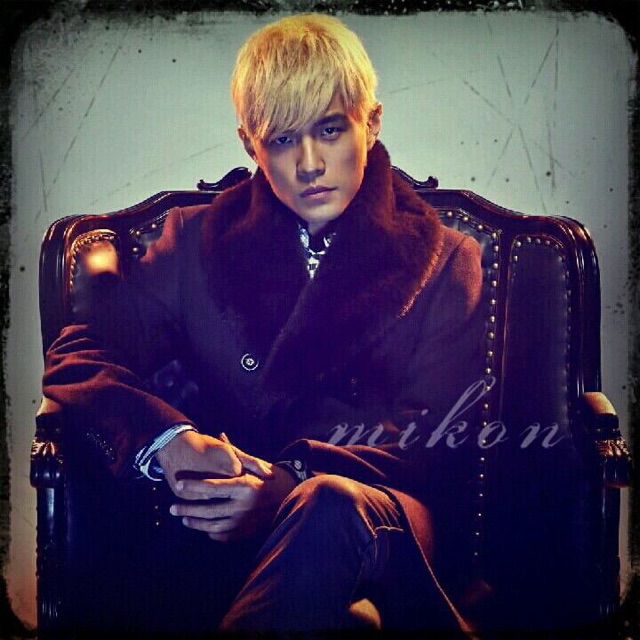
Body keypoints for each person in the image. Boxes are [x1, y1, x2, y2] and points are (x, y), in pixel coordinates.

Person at [42, 13, 485, 636]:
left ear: (372, 123)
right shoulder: (195, 243)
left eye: (330, 129)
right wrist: (168, 441)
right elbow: (80, 354)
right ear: (250, 146)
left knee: (329, 501)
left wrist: (289, 481)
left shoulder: (446, 259)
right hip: (232, 543)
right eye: (281, 139)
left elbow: (431, 444)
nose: (310, 163)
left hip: (386, 523)